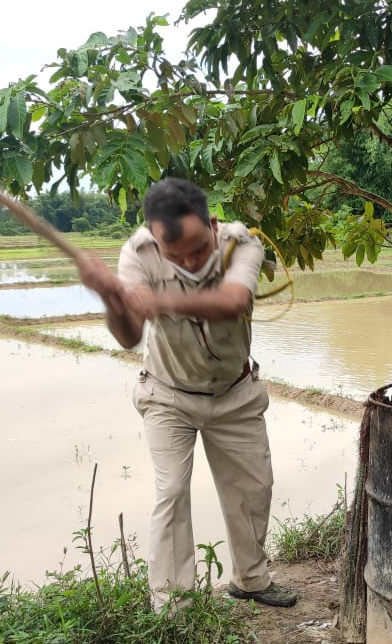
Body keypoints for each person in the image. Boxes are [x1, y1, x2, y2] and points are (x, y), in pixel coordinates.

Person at [75, 177, 297, 611]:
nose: (189, 262)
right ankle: (174, 606)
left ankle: (251, 580)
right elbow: (128, 336)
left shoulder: (243, 244)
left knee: (254, 489)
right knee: (171, 491)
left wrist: (159, 302)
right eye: (174, 255)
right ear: (157, 242)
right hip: (167, 394)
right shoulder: (138, 254)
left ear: (212, 223)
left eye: (198, 249)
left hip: (235, 392)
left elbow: (233, 300)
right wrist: (113, 300)